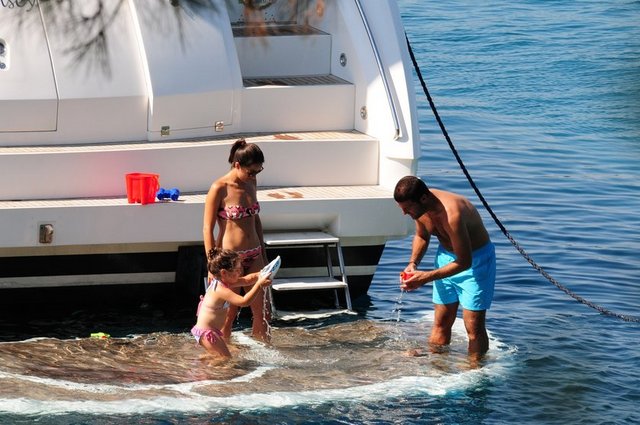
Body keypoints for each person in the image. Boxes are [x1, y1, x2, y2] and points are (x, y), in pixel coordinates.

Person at [393, 176, 496, 358]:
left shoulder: (452, 214)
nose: (404, 213)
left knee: (473, 327)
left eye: (407, 208)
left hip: (475, 262)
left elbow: (465, 262)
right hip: (445, 258)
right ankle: (438, 364)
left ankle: (476, 369)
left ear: (423, 198)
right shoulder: (420, 208)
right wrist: (413, 263)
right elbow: (422, 236)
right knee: (441, 322)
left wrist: (425, 277)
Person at [203, 138, 270, 341]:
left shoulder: (251, 183)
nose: (254, 176)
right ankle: (224, 354)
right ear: (237, 165)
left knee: (264, 313)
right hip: (230, 260)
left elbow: (255, 219)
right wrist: (212, 266)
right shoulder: (219, 187)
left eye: (258, 171)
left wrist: (263, 253)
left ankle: (264, 354)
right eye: (251, 172)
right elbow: (207, 229)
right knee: (228, 315)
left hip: (255, 253)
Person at [191, 248, 272, 358]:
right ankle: (201, 368)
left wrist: (262, 274)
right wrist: (259, 285)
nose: (240, 272)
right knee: (226, 359)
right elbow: (244, 301)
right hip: (207, 333)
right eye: (237, 270)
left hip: (208, 332)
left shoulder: (223, 281)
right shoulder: (220, 290)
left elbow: (247, 280)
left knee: (218, 357)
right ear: (224, 272)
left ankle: (202, 363)